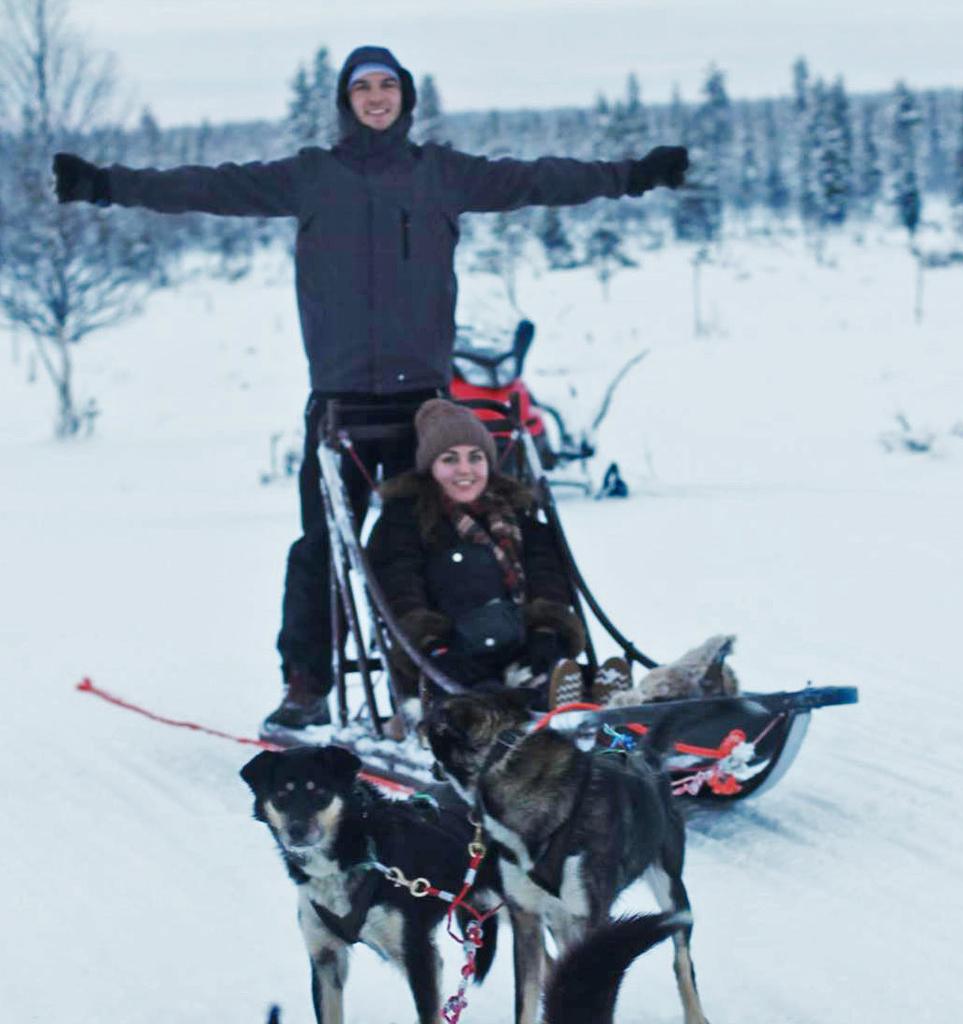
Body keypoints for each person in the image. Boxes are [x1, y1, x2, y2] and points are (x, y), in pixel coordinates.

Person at [52, 45, 687, 730]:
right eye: (364, 87)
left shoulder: (442, 174)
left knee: (449, 536)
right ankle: (306, 684)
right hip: (340, 405)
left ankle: (473, 668)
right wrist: (104, 185)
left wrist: (633, 175)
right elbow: (206, 186)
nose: (377, 97)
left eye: (389, 85)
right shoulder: (311, 177)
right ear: (346, 100)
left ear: (406, 98)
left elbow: (538, 179)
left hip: (425, 411)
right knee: (322, 546)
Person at [367, 398, 615, 713]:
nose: (465, 470)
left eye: (475, 457)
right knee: (465, 567)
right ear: (430, 466)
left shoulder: (515, 513)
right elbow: (399, 589)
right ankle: (537, 702)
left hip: (519, 646)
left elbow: (547, 574)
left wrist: (546, 630)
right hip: (445, 659)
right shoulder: (403, 523)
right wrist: (432, 647)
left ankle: (570, 695)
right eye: (449, 459)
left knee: (540, 670)